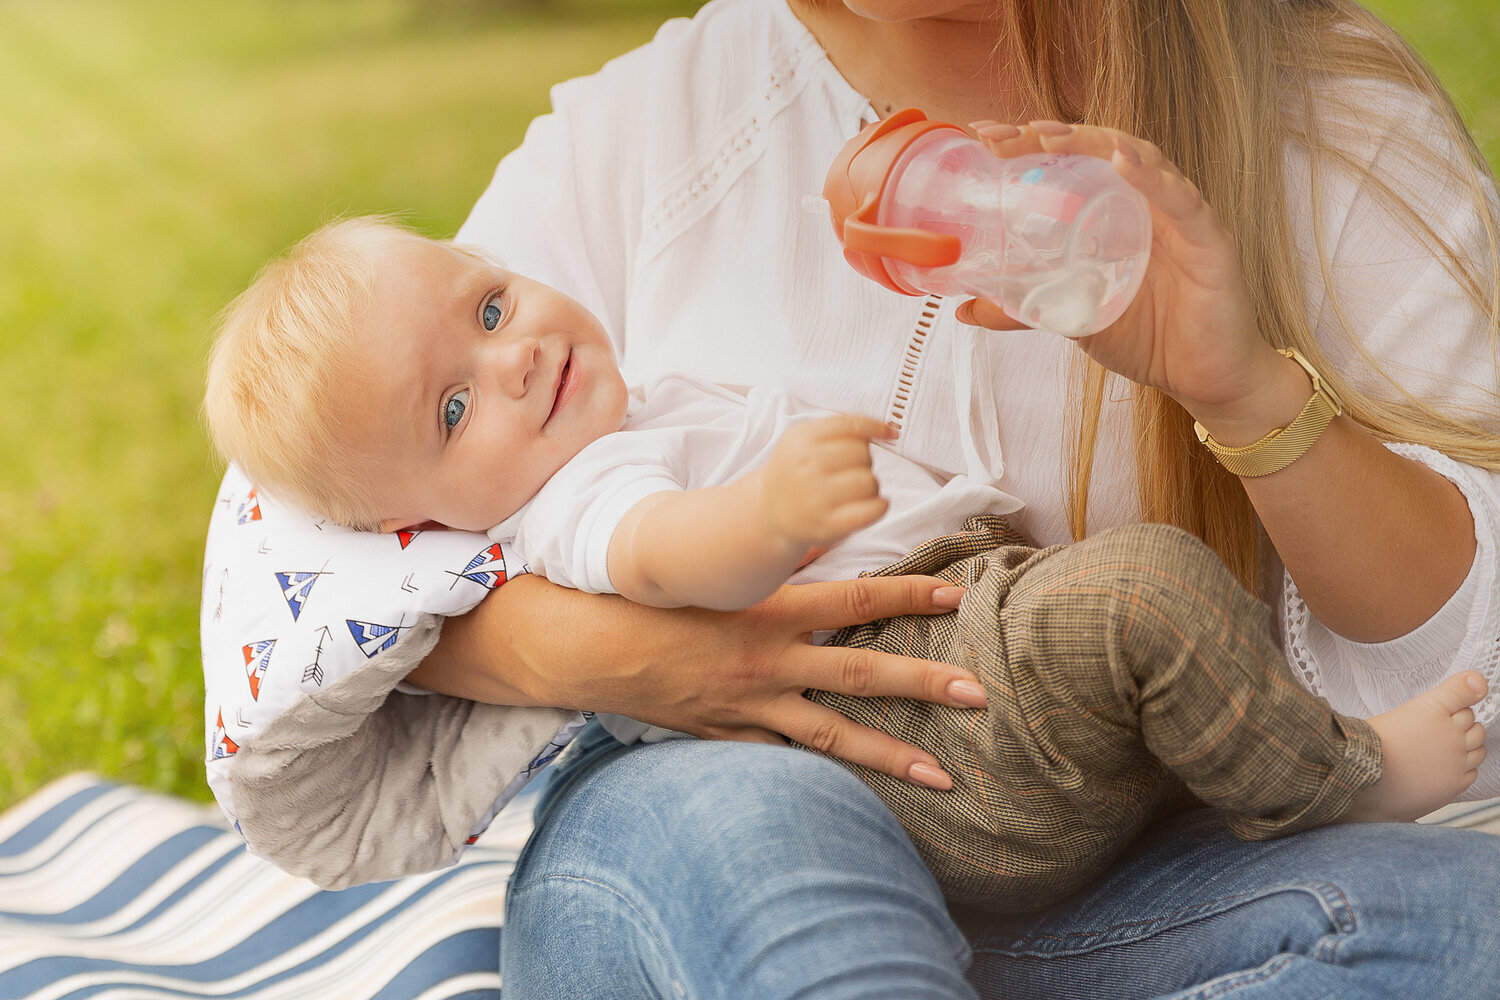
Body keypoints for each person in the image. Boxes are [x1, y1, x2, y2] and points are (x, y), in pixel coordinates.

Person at [199, 0, 1500, 995]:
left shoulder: (1320, 120)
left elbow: (1469, 650)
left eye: (495, 309)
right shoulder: (669, 121)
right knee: (765, 838)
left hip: (1120, 854)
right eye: (463, 382)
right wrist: (654, 660)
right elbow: (311, 529)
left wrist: (1243, 391)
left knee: (1464, 924)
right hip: (722, 818)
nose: (513, 349)